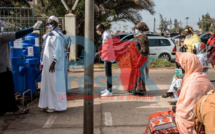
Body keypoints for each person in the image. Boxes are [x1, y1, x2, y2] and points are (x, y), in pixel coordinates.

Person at [0, 20, 41, 116]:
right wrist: (32, 28)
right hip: (3, 68)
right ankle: (15, 109)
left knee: (1, 90)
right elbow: (18, 34)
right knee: (8, 89)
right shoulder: (2, 36)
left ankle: (2, 109)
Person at [175, 52, 213, 134]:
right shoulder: (198, 77)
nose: (179, 69)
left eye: (180, 66)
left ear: (188, 65)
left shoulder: (195, 82)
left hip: (194, 121)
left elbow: (188, 111)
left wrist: (177, 110)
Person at [38, 16, 67, 112]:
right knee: (47, 85)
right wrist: (42, 62)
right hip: (47, 64)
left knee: (54, 85)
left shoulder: (58, 35)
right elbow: (44, 50)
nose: (48, 25)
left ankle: (56, 106)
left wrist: (53, 62)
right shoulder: (49, 35)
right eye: (47, 23)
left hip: (54, 65)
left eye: (51, 23)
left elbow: (58, 51)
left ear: (56, 24)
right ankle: (47, 104)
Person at [129, 22, 150, 94]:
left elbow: (144, 50)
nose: (135, 29)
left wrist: (139, 59)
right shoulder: (138, 36)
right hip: (135, 58)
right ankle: (134, 88)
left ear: (140, 29)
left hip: (140, 59)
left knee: (140, 73)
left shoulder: (142, 37)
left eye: (137, 28)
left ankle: (140, 89)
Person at [96, 24, 115, 97]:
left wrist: (99, 52)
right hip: (107, 56)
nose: (97, 31)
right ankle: (107, 89)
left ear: (101, 28)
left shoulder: (106, 35)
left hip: (108, 57)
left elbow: (106, 47)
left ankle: (109, 91)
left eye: (98, 29)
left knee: (108, 75)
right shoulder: (105, 34)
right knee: (108, 74)